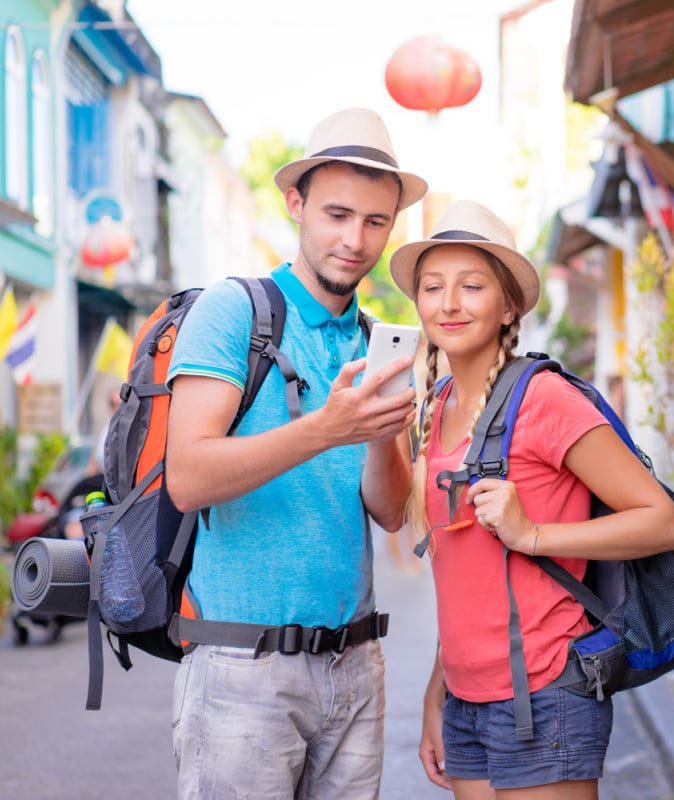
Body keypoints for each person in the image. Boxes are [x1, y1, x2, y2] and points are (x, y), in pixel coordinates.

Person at [164, 107, 427, 799]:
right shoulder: (233, 312)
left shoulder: (377, 341)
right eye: (337, 214)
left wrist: (377, 438)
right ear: (295, 203)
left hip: (355, 664)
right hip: (242, 667)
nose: (355, 239)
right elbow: (187, 478)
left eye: (376, 221)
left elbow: (393, 512)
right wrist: (324, 428)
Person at [388, 200, 674, 799]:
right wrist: (437, 690)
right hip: (465, 700)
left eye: (471, 286)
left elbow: (663, 522)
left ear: (509, 308)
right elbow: (465, 570)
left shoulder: (543, 399)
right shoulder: (434, 405)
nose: (448, 303)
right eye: (433, 287)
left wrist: (533, 536)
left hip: (547, 692)